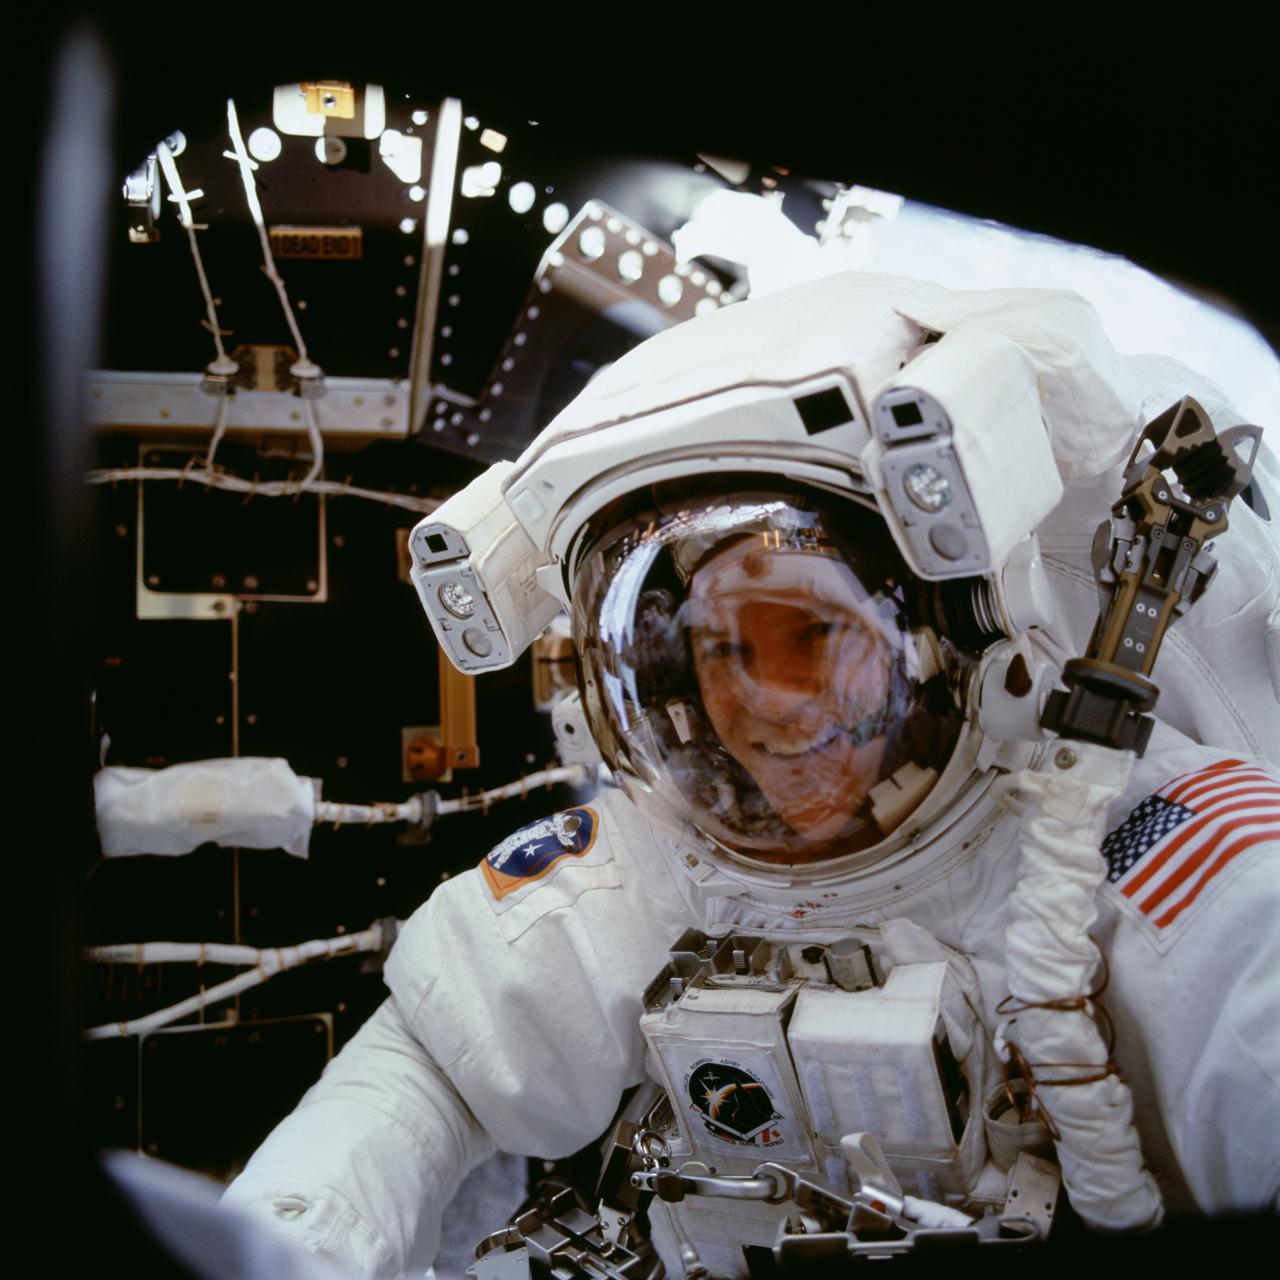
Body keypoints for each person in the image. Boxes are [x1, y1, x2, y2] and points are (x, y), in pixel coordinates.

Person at [222, 271, 1280, 1278]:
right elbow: (426, 1067)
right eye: (723, 651)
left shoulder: (1161, 857)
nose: (763, 703)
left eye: (812, 634)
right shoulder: (660, 860)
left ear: (954, 637)